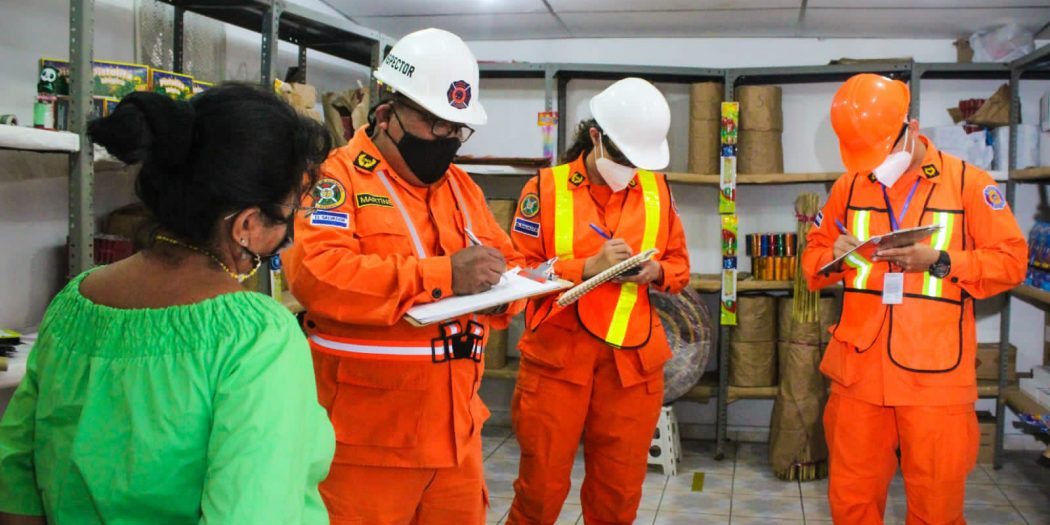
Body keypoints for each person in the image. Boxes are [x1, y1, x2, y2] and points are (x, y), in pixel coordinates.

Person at [0, 85, 335, 524]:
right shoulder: (257, 339)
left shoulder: (74, 303)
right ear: (248, 224)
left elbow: (17, 478)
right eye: (291, 210)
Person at [281, 28, 524, 525]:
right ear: (386, 113)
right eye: (435, 123)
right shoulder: (337, 179)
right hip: (369, 443)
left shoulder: (460, 187)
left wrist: (505, 294)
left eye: (458, 129)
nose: (447, 139)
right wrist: (444, 274)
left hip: (456, 437)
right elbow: (317, 274)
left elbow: (508, 259)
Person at [803, 74, 1028, 524]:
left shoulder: (968, 184)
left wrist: (942, 260)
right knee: (852, 501)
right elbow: (813, 260)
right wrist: (837, 255)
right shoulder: (849, 186)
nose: (876, 165)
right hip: (859, 374)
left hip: (935, 378)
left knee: (936, 507)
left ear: (912, 129)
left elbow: (1011, 262)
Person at [505, 78, 691, 525]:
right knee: (540, 493)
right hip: (558, 361)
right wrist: (584, 267)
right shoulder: (544, 189)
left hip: (631, 365)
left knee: (618, 497)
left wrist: (656, 271)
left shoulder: (657, 191)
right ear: (595, 137)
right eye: (624, 158)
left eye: (638, 161)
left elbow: (680, 266)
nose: (631, 169)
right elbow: (516, 273)